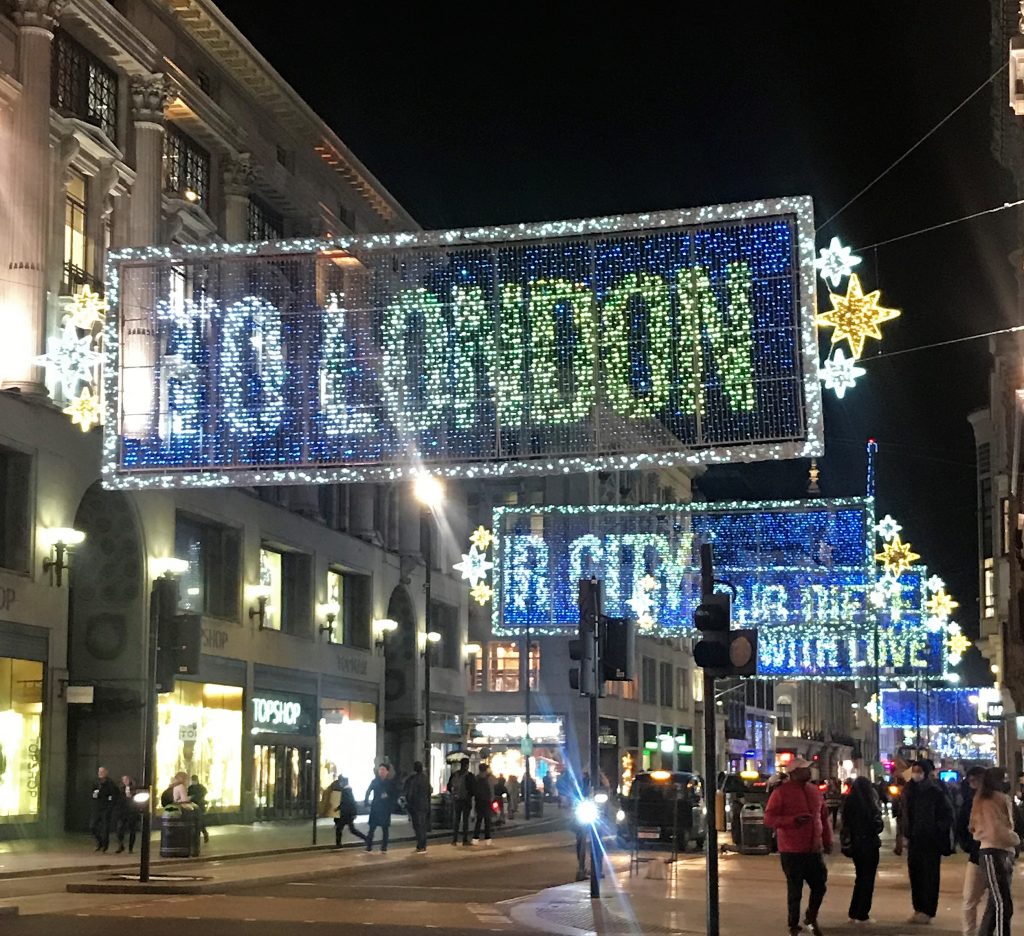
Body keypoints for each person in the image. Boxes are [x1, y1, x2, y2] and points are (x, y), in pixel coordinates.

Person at [764, 757, 832, 936]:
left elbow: (823, 817)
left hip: (813, 849)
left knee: (820, 885)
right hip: (791, 849)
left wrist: (827, 839)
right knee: (795, 889)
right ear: (794, 773)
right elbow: (769, 818)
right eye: (804, 769)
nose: (809, 772)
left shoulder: (814, 791)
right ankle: (793, 924)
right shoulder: (781, 793)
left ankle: (811, 916)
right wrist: (792, 821)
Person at [903, 758, 954, 925]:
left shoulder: (935, 791)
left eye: (919, 771)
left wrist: (935, 829)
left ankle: (928, 910)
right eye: (914, 771)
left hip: (930, 841)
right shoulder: (909, 790)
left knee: (930, 876)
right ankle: (918, 908)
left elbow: (947, 815)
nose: (916, 774)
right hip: (914, 839)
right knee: (915, 874)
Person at [969, 766, 1018, 936]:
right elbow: (994, 830)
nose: (1007, 781)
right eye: (1003, 778)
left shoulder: (992, 798)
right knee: (1002, 903)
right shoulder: (989, 800)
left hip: (1001, 851)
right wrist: (1015, 839)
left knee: (998, 902)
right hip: (993, 851)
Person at [841, 776, 883, 924]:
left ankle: (854, 911)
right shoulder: (869, 803)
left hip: (856, 845)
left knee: (860, 878)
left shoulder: (849, 801)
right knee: (868, 879)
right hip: (869, 845)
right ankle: (862, 913)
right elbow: (877, 825)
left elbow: (845, 823)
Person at [958, 766, 988, 936]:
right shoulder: (968, 801)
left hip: (995, 854)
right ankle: (969, 932)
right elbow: (962, 825)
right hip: (977, 855)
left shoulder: (996, 799)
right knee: (969, 898)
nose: (974, 784)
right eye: (971, 781)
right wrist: (969, 845)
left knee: (996, 900)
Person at [364, 764, 397, 853]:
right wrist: (366, 802)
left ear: (387, 772)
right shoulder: (375, 781)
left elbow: (394, 795)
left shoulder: (390, 783)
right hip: (375, 807)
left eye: (383, 770)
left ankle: (384, 847)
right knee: (372, 828)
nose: (381, 772)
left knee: (385, 829)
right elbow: (368, 791)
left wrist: (388, 797)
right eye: (380, 770)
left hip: (385, 808)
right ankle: (369, 847)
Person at [403, 760, 432, 853]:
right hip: (424, 805)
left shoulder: (414, 779)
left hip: (416, 806)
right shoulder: (425, 778)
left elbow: (411, 793)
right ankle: (423, 845)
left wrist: (408, 803)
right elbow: (430, 790)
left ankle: (420, 845)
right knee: (422, 826)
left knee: (417, 826)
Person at [330, 774, 366, 847]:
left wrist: (339, 808)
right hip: (347, 814)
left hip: (346, 814)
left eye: (341, 782)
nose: (340, 783)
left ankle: (338, 844)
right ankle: (366, 838)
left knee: (340, 829)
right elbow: (347, 802)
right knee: (351, 830)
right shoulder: (347, 790)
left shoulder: (346, 791)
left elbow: (348, 802)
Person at [90, 766, 119, 853]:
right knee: (92, 826)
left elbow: (114, 795)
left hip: (106, 808)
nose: (100, 773)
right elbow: (92, 793)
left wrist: (110, 806)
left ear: (106, 772)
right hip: (97, 808)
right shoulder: (95, 782)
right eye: (99, 771)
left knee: (105, 828)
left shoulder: (110, 783)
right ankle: (100, 842)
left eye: (102, 772)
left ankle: (104, 846)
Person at [448, 758, 475, 846]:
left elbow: (449, 786)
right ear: (467, 765)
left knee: (456, 820)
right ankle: (464, 839)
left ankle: (454, 840)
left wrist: (453, 794)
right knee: (465, 820)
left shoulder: (455, 774)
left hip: (456, 799)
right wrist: (470, 795)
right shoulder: (469, 775)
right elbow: (473, 789)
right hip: (466, 800)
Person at [114, 774, 140, 854]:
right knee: (119, 829)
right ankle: (120, 845)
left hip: (132, 812)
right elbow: (118, 799)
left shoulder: (134, 789)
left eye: (127, 780)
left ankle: (130, 848)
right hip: (123, 812)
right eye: (124, 780)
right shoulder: (120, 789)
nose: (125, 781)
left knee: (132, 830)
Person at [473, 762, 495, 845]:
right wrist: (491, 800)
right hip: (487, 802)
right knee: (487, 821)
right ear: (485, 770)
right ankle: (487, 838)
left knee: (478, 820)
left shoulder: (476, 778)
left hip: (478, 801)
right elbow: (492, 790)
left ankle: (475, 838)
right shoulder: (488, 779)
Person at [187, 774, 210, 844]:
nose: (193, 782)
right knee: (197, 821)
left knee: (199, 821)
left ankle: (203, 834)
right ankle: (201, 835)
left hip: (199, 806)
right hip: (194, 806)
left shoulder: (200, 787)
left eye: (194, 780)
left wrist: (194, 797)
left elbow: (203, 794)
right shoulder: (191, 788)